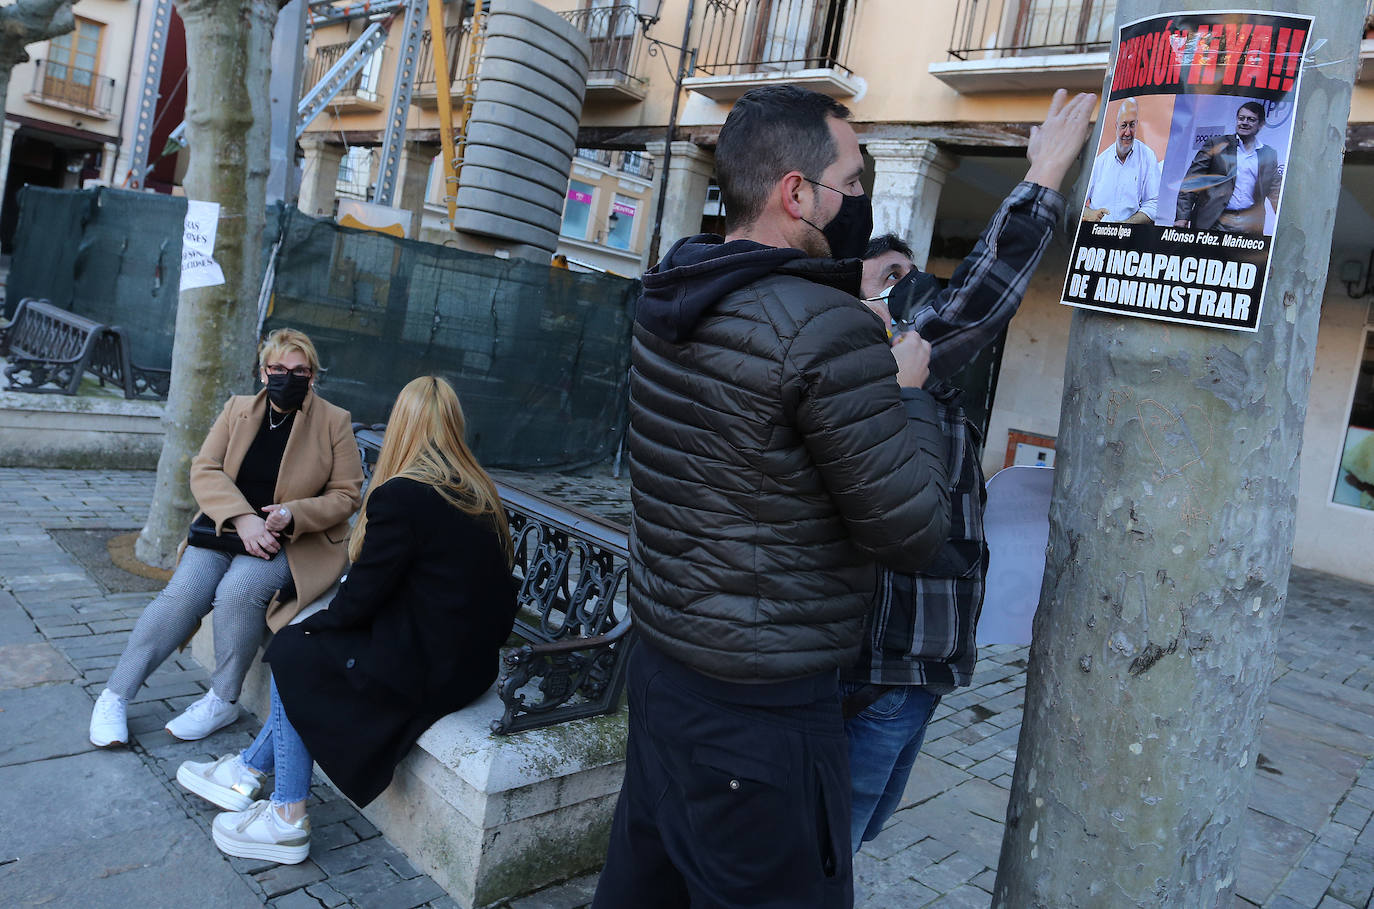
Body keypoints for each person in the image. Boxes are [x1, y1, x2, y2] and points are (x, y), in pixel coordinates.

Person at [592, 84, 961, 909]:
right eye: (854, 183)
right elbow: (912, 530)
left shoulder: (669, 294)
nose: (861, 202)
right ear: (798, 193)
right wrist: (908, 392)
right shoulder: (827, 326)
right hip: (760, 715)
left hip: (662, 672)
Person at [843, 87, 1093, 853]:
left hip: (918, 668)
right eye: (888, 279)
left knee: (851, 844)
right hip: (872, 667)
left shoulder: (921, 376)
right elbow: (977, 299)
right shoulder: (856, 362)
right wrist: (1044, 175)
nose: (909, 291)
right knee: (819, 856)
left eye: (912, 276)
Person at [174, 375, 517, 864]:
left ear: (401, 425)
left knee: (294, 653)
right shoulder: (479, 491)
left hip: (433, 666)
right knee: (305, 645)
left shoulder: (402, 494)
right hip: (470, 663)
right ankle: (247, 772)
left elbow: (360, 600)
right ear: (455, 427)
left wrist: (315, 629)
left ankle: (286, 818)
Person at [90, 329, 364, 747]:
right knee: (183, 594)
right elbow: (205, 468)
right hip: (226, 531)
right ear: (262, 372)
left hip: (286, 540)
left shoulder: (334, 421)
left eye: (300, 371)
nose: (287, 377)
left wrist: (292, 514)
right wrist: (242, 518)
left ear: (313, 377)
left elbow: (346, 494)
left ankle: (222, 699)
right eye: (278, 369)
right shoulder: (237, 409)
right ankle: (115, 695)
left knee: (238, 591)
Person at [1174, 100, 1281, 234]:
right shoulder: (1216, 144)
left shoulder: (1269, 154)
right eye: (1241, 118)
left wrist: (1284, 221)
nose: (1244, 123)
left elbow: (1275, 191)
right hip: (1214, 221)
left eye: (1251, 120)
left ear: (1261, 124)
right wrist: (1182, 217)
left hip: (1249, 226)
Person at [1083, 98, 1160, 224]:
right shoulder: (1099, 160)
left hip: (1131, 238)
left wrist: (1126, 225)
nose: (1128, 132)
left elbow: (1154, 203)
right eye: (1124, 125)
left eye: (1132, 125)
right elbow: (1077, 202)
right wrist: (1090, 213)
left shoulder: (1148, 156)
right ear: (1116, 126)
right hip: (1096, 236)